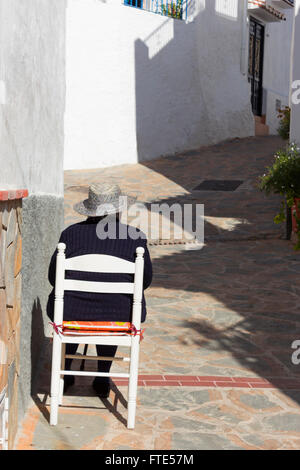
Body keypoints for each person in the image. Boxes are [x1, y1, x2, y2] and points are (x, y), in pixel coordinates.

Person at [47, 183, 153, 398]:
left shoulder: (70, 234)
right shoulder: (135, 237)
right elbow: (146, 281)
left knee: (72, 303)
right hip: (120, 316)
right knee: (115, 305)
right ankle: (102, 375)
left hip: (71, 315)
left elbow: (53, 277)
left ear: (90, 209)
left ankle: (66, 374)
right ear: (118, 210)